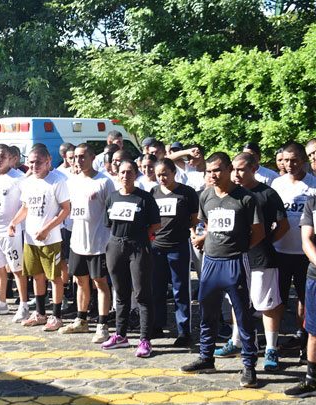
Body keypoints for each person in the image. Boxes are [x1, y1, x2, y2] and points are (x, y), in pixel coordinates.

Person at [180, 152, 264, 388]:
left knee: (243, 316)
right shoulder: (206, 195)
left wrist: (239, 248)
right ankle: (206, 358)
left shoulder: (246, 198)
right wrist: (206, 239)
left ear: (228, 169)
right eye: (209, 171)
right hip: (210, 262)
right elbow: (208, 225)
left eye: (217, 170)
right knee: (207, 312)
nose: (212, 175)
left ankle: (249, 365)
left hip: (235, 262)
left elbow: (259, 232)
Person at [216, 152, 288, 371]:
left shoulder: (267, 193)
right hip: (235, 257)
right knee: (237, 302)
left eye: (241, 169)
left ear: (254, 169)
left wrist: (264, 241)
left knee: (267, 304)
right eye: (234, 169)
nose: (236, 174)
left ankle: (271, 349)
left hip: (261, 259)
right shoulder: (230, 193)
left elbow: (283, 226)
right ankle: (237, 341)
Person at [8, 146, 70, 331]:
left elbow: (65, 209)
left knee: (54, 277)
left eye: (38, 162)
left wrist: (47, 228)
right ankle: (40, 313)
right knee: (37, 275)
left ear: (48, 161)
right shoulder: (28, 183)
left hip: (50, 239)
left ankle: (56, 315)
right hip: (31, 238)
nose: (34, 166)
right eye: (31, 162)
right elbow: (25, 207)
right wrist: (14, 222)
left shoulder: (57, 181)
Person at [102, 160, 160, 357]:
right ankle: (120, 335)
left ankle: (145, 339)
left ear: (136, 174)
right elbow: (109, 223)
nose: (125, 176)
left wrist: (140, 238)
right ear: (117, 174)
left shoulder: (144, 198)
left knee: (142, 294)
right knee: (121, 293)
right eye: (122, 172)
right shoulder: (112, 197)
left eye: (129, 172)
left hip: (138, 247)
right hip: (115, 246)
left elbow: (155, 224)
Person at [59, 144, 114, 343]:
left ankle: (102, 324)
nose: (78, 161)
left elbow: (112, 211)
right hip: (77, 241)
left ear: (92, 158)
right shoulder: (72, 182)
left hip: (99, 242)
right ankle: (81, 320)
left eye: (83, 157)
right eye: (76, 157)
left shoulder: (104, 182)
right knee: (80, 281)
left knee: (100, 282)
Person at [271, 142, 316, 360]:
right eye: (286, 160)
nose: (289, 164)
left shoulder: (313, 185)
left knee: (305, 300)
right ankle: (273, 343)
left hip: (304, 254)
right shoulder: (277, 184)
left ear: (303, 160)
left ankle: (304, 339)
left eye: (294, 160)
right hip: (280, 251)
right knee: (278, 299)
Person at [151, 158, 199, 347]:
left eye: (165, 174)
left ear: (174, 173)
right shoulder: (153, 192)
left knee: (180, 290)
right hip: (157, 247)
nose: (162, 178)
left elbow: (195, 218)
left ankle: (184, 331)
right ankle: (157, 325)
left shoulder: (187, 192)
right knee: (157, 288)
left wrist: (181, 228)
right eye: (158, 175)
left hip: (178, 246)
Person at [0, 144, 29, 320]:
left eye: (2, 156)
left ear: (10, 158)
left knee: (16, 268)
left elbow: (25, 205)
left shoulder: (19, 178)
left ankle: (23, 305)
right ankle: (1, 303)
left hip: (12, 231)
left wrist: (14, 222)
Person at [285, 195, 316, 397]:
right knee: (314, 331)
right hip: (315, 275)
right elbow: (307, 241)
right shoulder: (312, 203)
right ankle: (312, 381)